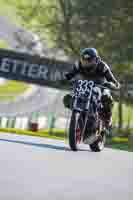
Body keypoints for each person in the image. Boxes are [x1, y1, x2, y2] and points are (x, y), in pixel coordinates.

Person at [63, 48, 120, 131]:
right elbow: (70, 74)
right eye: (84, 60)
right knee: (67, 98)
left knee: (107, 97)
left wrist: (114, 84)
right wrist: (64, 79)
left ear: (96, 59)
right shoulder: (78, 65)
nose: (86, 63)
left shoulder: (102, 66)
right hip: (83, 86)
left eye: (89, 60)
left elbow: (111, 79)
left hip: (100, 86)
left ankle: (107, 118)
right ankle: (77, 115)